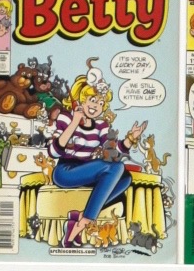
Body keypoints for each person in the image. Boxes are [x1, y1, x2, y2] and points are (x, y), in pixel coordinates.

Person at [47, 66, 145, 248]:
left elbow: (113, 152)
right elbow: (53, 152)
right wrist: (74, 122)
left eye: (100, 103)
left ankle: (79, 218)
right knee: (117, 168)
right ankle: (83, 223)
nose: (95, 106)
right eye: (92, 100)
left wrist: (131, 138)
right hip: (65, 171)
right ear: (82, 100)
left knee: (125, 178)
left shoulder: (101, 125)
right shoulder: (66, 118)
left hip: (89, 171)